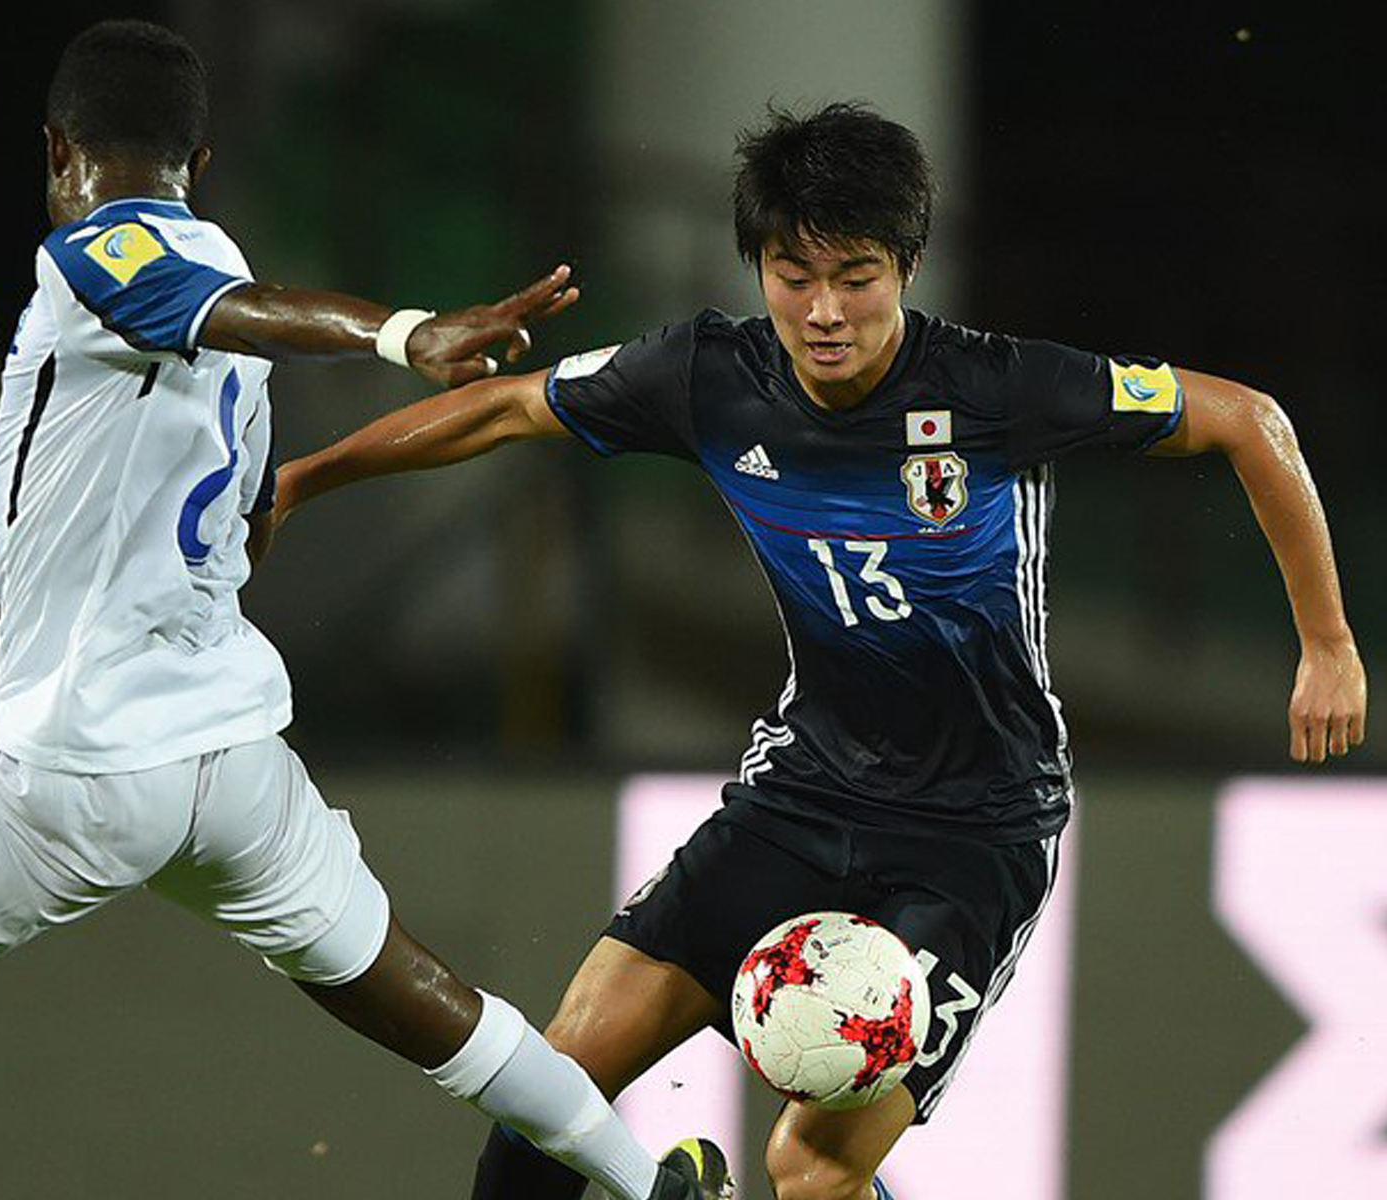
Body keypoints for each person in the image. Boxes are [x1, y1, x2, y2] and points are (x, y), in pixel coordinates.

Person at [0, 21, 733, 1200]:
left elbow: (186, 304)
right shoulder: (215, 304)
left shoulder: (112, 249)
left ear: (59, 150)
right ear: (201, 164)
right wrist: (32, 451)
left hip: (78, 764)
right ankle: (651, 1184)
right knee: (427, 1003)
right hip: (230, 761)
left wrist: (402, 335)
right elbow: (229, 498)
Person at [266, 102, 1369, 1200]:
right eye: (795, 276)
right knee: (547, 1100)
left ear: (910, 267)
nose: (826, 310)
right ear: (757, 269)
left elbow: (1245, 417)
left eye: (858, 276)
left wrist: (1326, 642)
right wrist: (305, 479)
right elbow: (503, 413)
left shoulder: (998, 389)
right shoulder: (705, 377)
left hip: (973, 836)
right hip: (801, 797)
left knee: (806, 1166)